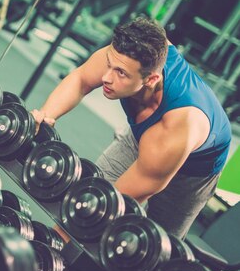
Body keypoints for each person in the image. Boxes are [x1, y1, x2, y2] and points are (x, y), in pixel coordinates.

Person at [32, 16, 231, 239]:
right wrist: (45, 116)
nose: (106, 77)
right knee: (84, 206)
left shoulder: (178, 124)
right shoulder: (129, 54)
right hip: (145, 136)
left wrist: (89, 215)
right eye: (109, 65)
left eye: (121, 74)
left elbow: (112, 203)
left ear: (151, 79)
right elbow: (81, 79)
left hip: (193, 171)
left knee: (151, 247)